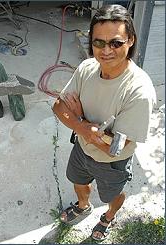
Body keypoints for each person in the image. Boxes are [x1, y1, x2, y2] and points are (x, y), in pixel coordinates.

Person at [52, 4, 156, 241]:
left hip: (113, 165)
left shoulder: (138, 91)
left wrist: (79, 119)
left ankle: (108, 216)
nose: (106, 50)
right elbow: (58, 107)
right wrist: (82, 127)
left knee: (112, 196)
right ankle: (83, 205)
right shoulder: (87, 67)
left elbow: (113, 149)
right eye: (99, 42)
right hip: (81, 149)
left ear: (130, 40)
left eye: (116, 43)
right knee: (77, 180)